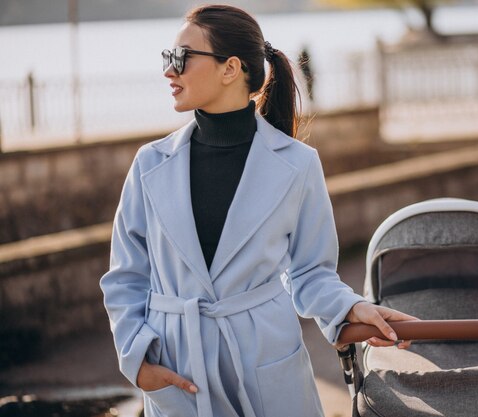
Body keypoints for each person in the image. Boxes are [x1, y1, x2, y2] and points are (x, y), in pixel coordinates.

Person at [100, 4, 415, 417]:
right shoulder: (149, 164)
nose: (168, 71)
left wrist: (352, 308)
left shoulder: (299, 165)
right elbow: (126, 276)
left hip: (268, 368)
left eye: (180, 58)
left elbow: (310, 273)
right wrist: (138, 362)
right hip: (178, 369)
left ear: (230, 68)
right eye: (167, 57)